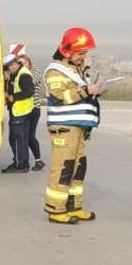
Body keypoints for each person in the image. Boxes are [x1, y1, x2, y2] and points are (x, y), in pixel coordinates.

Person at [43, 28, 102, 223]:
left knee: (78, 167)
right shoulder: (55, 71)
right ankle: (56, 209)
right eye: (80, 53)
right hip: (64, 128)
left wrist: (93, 92)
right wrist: (86, 91)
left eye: (85, 53)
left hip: (78, 128)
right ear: (67, 51)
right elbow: (61, 97)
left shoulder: (77, 70)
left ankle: (74, 206)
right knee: (63, 168)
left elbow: (79, 92)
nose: (83, 57)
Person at [2, 45, 40, 173]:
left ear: (13, 65)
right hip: (17, 111)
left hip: (21, 111)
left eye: (8, 68)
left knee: (19, 139)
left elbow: (29, 91)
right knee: (17, 138)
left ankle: (21, 165)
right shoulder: (16, 74)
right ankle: (19, 162)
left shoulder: (24, 74)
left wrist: (13, 97)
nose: (8, 71)